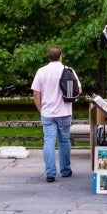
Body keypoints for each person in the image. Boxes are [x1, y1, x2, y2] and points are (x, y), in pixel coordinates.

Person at [32, 46, 81, 182]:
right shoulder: (68, 70)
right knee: (64, 141)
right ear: (61, 56)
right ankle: (65, 170)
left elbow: (36, 93)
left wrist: (40, 109)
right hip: (64, 112)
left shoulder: (41, 71)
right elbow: (79, 90)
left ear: (49, 57)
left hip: (47, 112)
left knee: (49, 141)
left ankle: (50, 173)